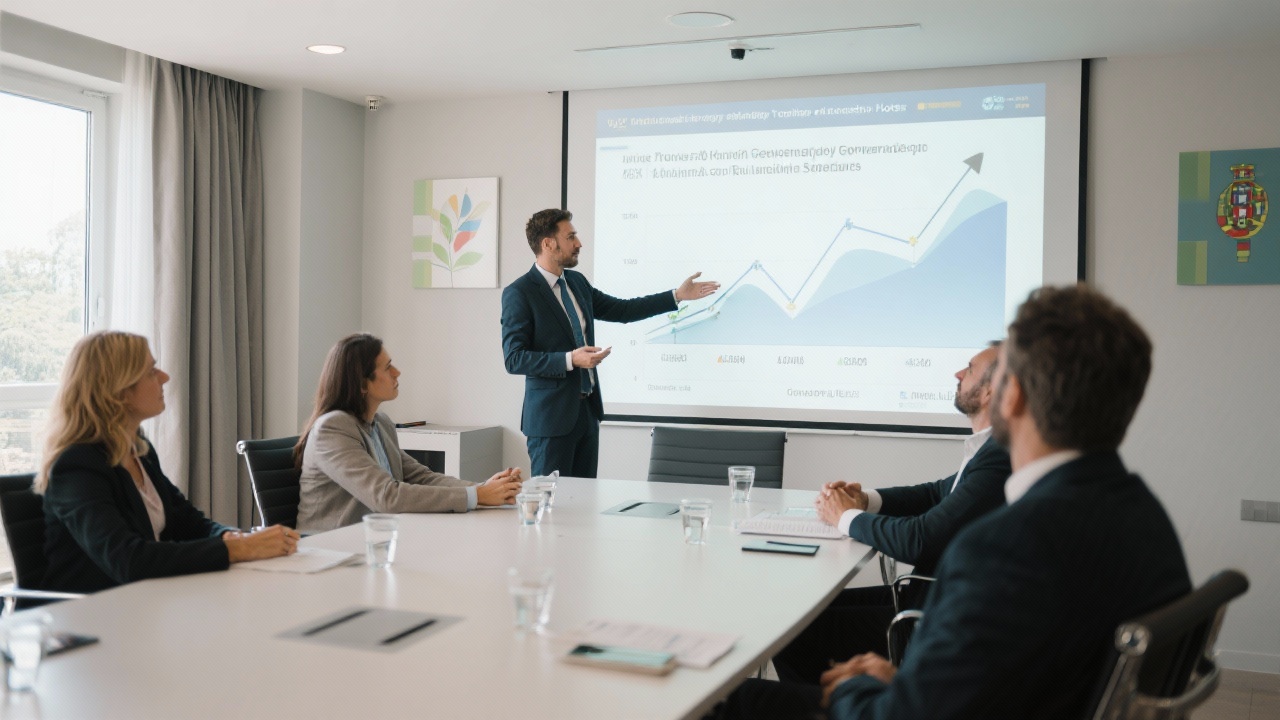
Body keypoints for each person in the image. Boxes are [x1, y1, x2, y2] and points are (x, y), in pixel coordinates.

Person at [721, 284, 1191, 720]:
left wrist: (858, 686)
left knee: (723, 701)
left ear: (1013, 398)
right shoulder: (1145, 515)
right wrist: (907, 682)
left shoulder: (1002, 548)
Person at [769, 342, 1010, 685]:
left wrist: (845, 517)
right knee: (796, 615)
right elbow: (936, 492)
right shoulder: (988, 449)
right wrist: (865, 500)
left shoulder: (1000, 456)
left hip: (928, 616)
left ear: (991, 391)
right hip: (923, 595)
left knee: (790, 629)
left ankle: (832, 704)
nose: (957, 374)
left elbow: (920, 541)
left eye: (969, 369)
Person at [38, 331, 297, 594]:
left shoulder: (139, 448)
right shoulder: (77, 466)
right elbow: (128, 560)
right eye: (151, 371)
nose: (165, 377)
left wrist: (235, 537)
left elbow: (188, 522)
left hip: (141, 601)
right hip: (86, 617)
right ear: (118, 389)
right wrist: (237, 549)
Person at [501, 208, 720, 478]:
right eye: (571, 237)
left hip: (587, 414)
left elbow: (622, 310)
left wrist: (675, 296)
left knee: (583, 506)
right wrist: (571, 359)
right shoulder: (520, 293)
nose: (579, 243)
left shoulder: (577, 283)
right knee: (552, 508)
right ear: (548, 243)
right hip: (551, 422)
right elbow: (514, 358)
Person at [295, 333, 523, 534]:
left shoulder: (380, 423)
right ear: (362, 384)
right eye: (387, 367)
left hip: (375, 539)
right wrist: (479, 496)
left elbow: (421, 477)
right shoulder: (332, 428)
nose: (397, 372)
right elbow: (387, 496)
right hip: (330, 547)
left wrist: (482, 488)